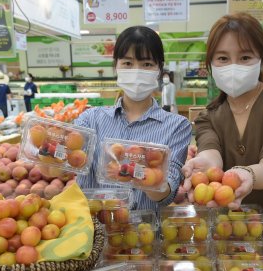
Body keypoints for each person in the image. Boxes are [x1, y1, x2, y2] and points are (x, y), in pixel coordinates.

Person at [182, 12, 263, 207]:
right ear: (211, 64)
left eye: (245, 57)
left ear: (261, 59)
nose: (233, 66)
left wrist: (249, 174)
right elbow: (211, 154)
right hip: (237, 227)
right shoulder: (208, 117)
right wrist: (205, 166)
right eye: (223, 58)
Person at [74, 26, 192, 212]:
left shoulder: (177, 126)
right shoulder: (90, 119)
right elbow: (65, 166)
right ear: (116, 66)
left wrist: (138, 174)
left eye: (146, 64)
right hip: (94, 232)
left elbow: (166, 194)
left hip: (144, 233)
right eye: (128, 63)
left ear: (159, 70)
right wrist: (51, 156)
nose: (136, 71)